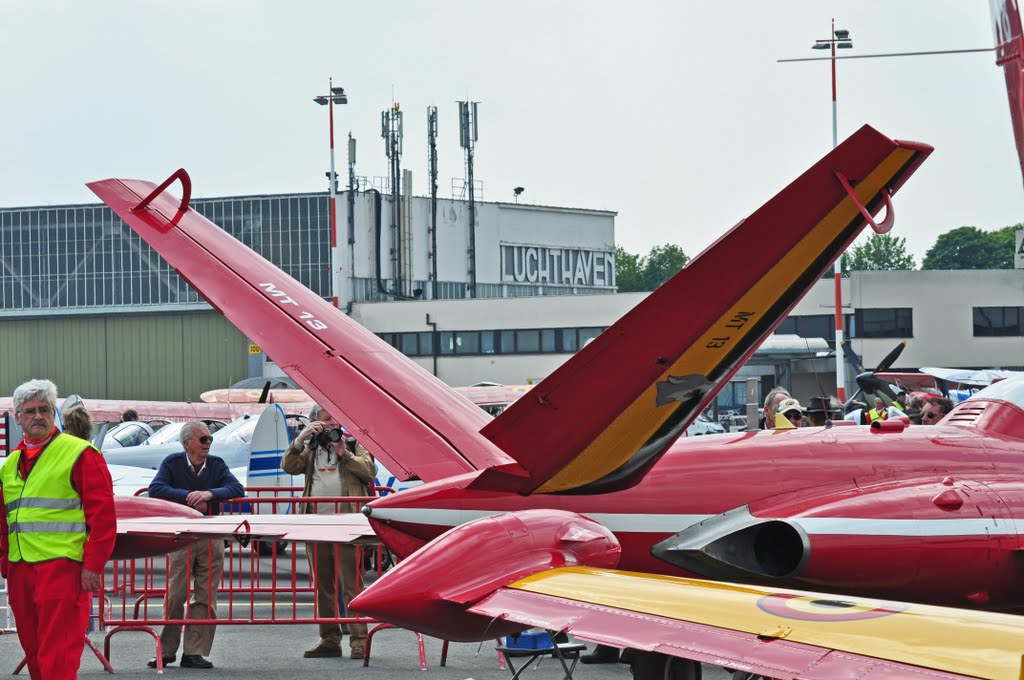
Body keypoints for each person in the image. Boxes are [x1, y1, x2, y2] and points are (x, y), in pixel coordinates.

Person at [0, 379, 115, 680]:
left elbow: (103, 518)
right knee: (36, 654)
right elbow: (4, 522)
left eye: (44, 409)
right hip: (21, 571)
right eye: (29, 412)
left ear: (54, 414)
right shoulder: (9, 464)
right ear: (18, 418)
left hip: (63, 570)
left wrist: (92, 566)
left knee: (59, 656)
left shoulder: (80, 453)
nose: (37, 416)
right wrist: (6, 565)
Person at [282, 404, 376, 660]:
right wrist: (301, 438)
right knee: (323, 585)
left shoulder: (355, 443)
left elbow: (369, 471)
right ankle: (329, 639)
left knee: (351, 585)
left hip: (347, 525)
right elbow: (288, 466)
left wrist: (344, 453)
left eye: (335, 419)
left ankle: (359, 641)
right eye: (326, 420)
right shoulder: (310, 448)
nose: (332, 424)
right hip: (316, 525)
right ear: (315, 423)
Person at [147, 421, 244, 669]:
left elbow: (236, 488)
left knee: (206, 595)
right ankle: (166, 651)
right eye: (203, 440)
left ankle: (195, 652)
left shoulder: (217, 464)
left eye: (209, 439)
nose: (207, 444)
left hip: (211, 535)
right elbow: (155, 488)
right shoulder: (172, 463)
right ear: (187, 443)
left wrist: (209, 494)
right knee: (176, 593)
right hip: (182, 535)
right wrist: (188, 497)